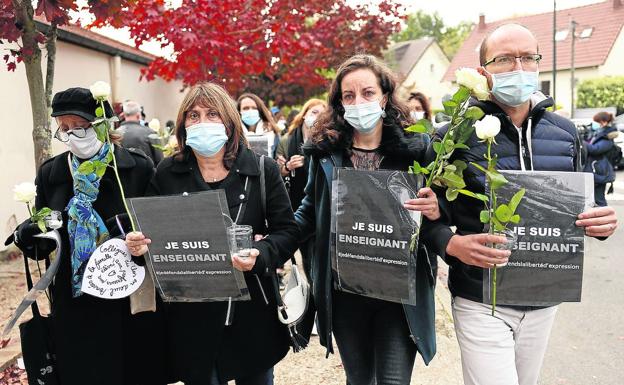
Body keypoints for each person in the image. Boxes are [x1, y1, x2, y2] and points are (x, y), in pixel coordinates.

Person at [425, 23, 618, 385]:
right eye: (505, 59)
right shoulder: (452, 136)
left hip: (544, 296)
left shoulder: (565, 133)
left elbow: (585, 203)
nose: (519, 66)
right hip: (481, 297)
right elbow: (426, 214)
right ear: (483, 72)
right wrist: (450, 244)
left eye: (528, 57)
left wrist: (601, 221)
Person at [125, 83, 299, 385]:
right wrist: (138, 245)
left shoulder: (262, 170)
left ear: (229, 123)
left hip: (251, 315)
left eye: (212, 114)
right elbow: (150, 236)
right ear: (183, 125)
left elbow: (287, 232)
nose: (202, 122)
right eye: (193, 115)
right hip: (193, 320)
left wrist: (262, 255)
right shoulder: (166, 173)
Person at [294, 54, 441, 384]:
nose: (358, 101)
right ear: (340, 103)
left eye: (367, 93)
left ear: (385, 97)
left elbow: (434, 218)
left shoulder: (418, 152)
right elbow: (308, 210)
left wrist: (435, 210)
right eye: (349, 95)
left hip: (398, 296)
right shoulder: (325, 153)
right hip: (345, 293)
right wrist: (275, 239)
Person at [6, 87, 167, 385]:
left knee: (135, 372)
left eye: (79, 127)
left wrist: (138, 239)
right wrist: (29, 233)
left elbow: (160, 230)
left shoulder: (135, 168)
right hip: (76, 300)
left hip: (129, 298)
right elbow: (42, 247)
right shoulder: (52, 173)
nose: (71, 135)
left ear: (101, 125)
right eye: (64, 129)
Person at [584, 111, 618, 206]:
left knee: (599, 199)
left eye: (596, 121)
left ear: (603, 122)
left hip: (600, 171)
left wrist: (582, 142)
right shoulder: (598, 135)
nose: (594, 124)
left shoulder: (607, 138)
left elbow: (595, 150)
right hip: (596, 170)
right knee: (594, 198)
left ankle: (605, 220)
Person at [117, 100, 164, 165]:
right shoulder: (150, 133)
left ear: (124, 115)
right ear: (138, 115)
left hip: (121, 174)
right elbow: (160, 159)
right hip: (146, 173)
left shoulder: (115, 134)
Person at [237, 93, 281, 158]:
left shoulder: (271, 132)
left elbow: (277, 159)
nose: (250, 111)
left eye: (254, 108)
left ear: (259, 110)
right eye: (246, 108)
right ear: (239, 112)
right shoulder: (233, 133)